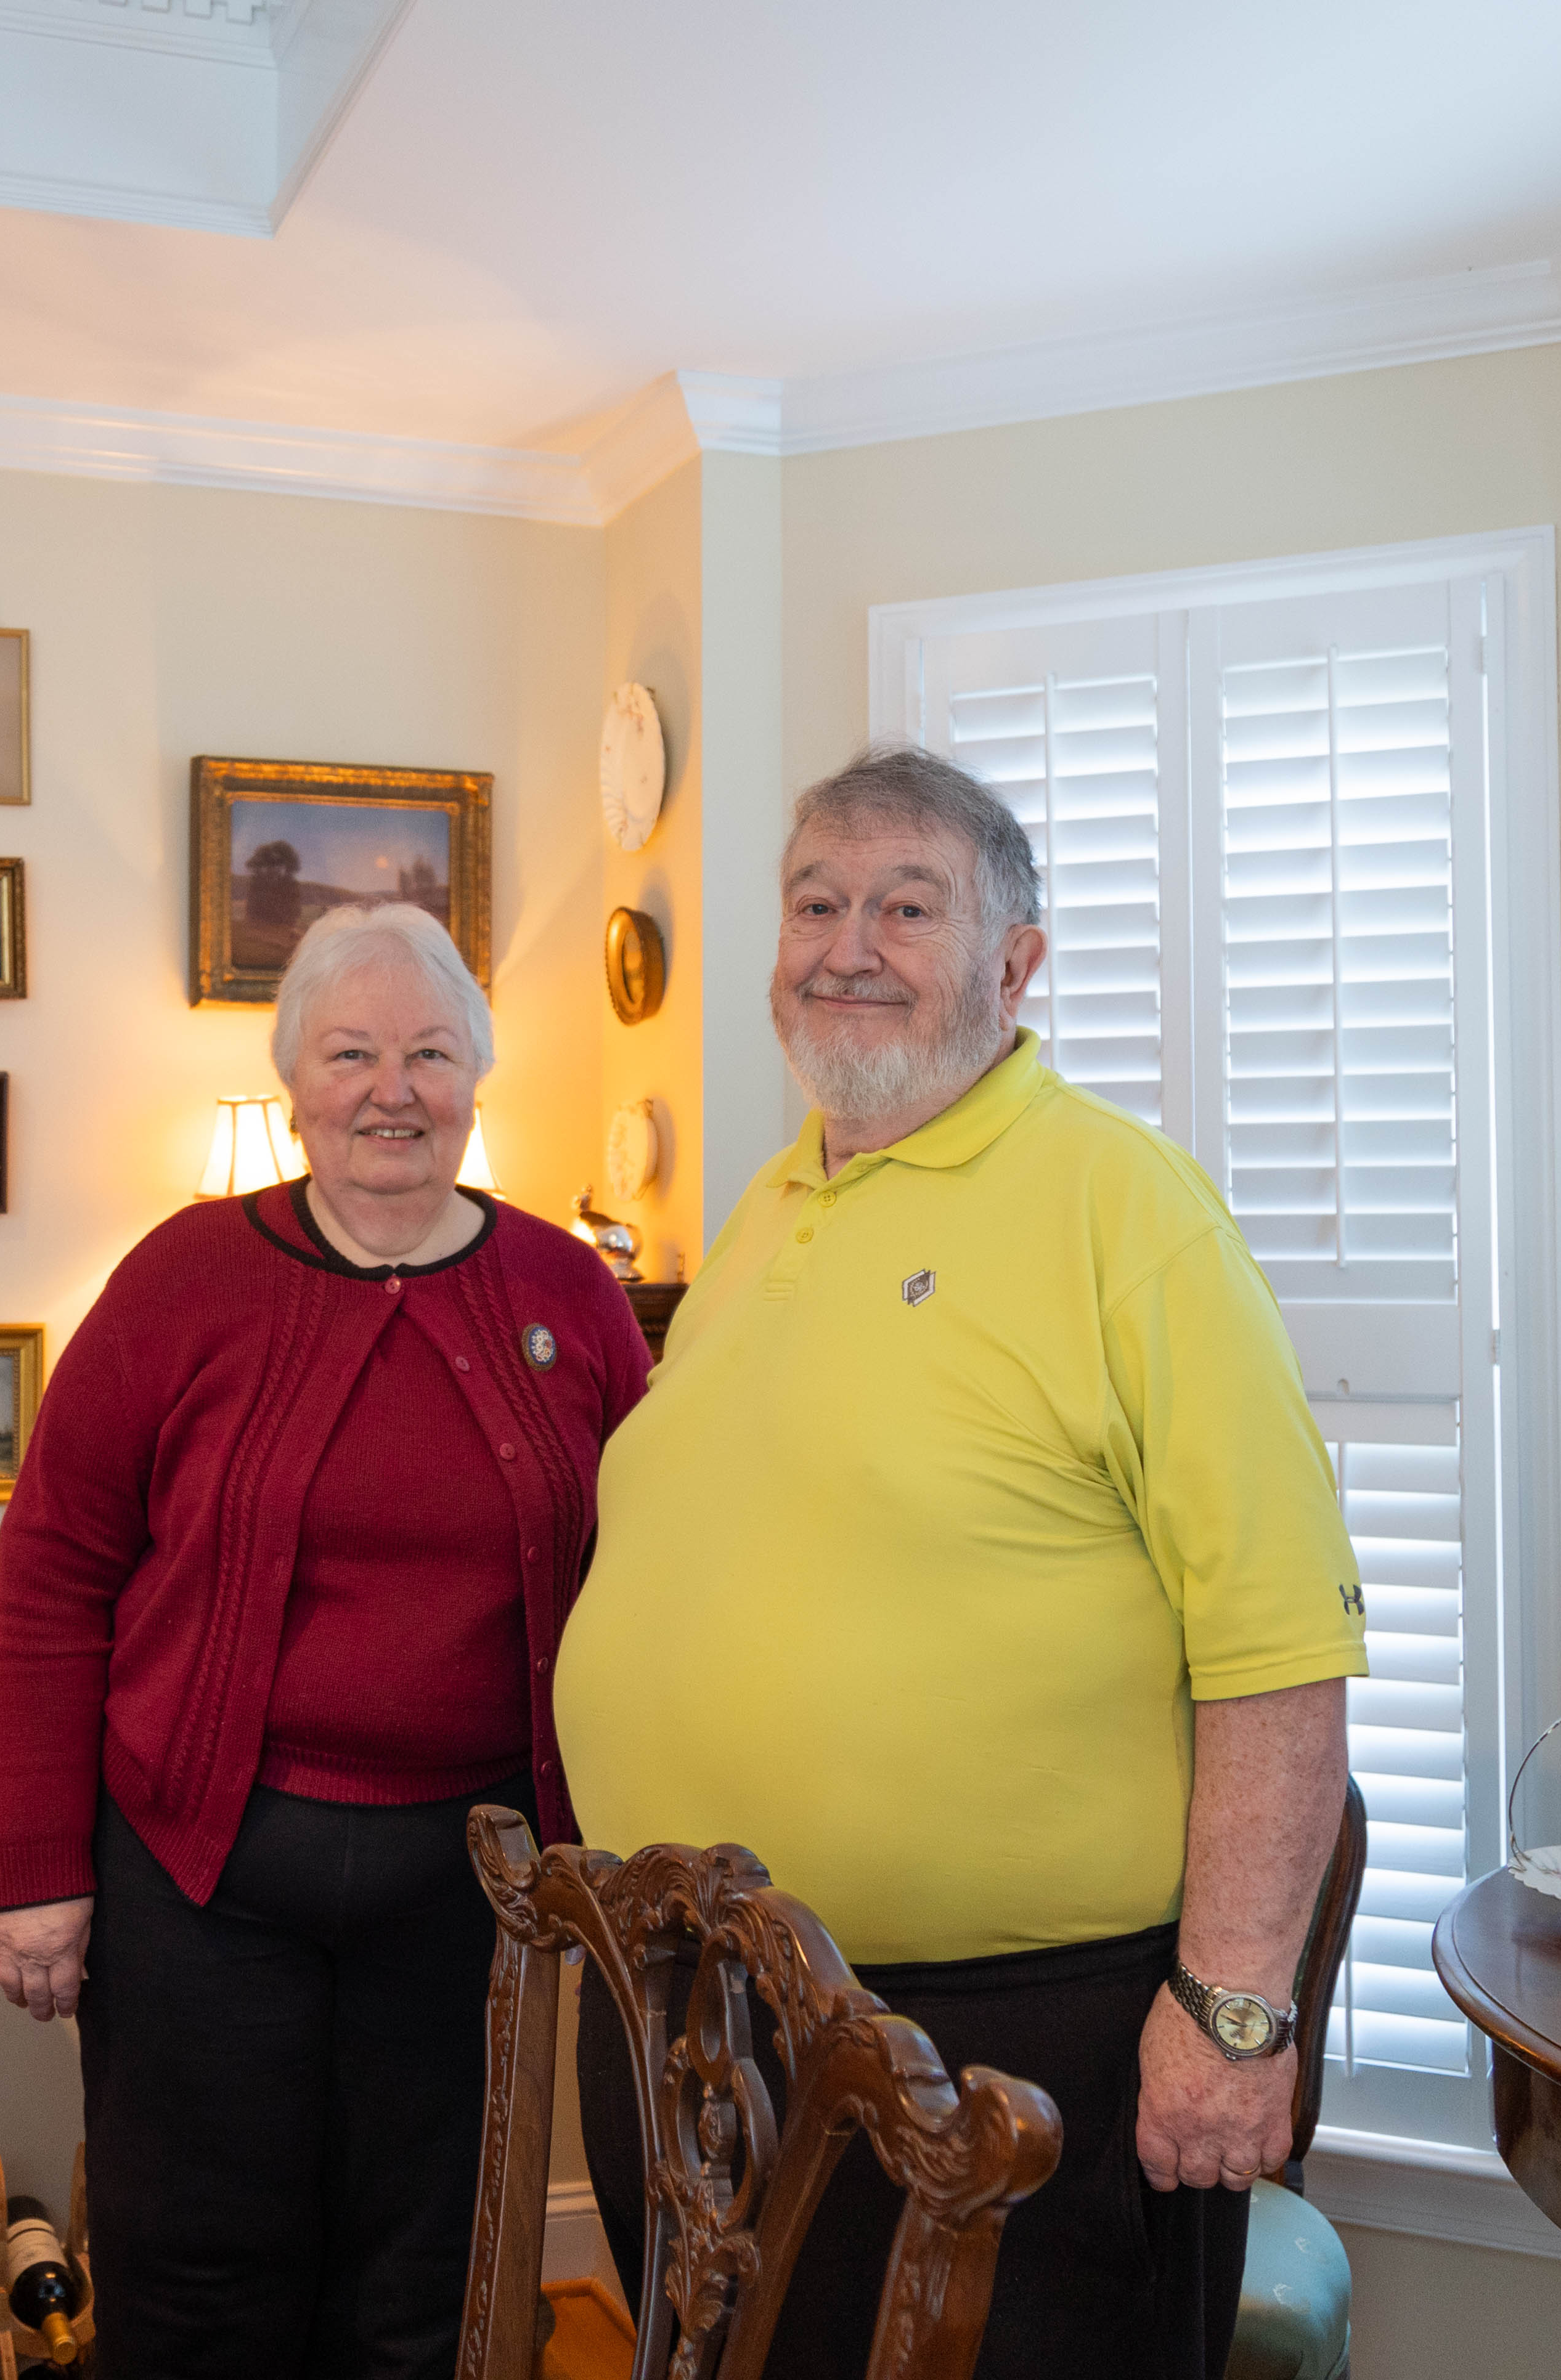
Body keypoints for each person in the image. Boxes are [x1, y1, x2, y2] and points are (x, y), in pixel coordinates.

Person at [553, 747, 1365, 2380]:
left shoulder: (1128, 1215)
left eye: (904, 908)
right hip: (703, 2022)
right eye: (815, 904)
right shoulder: (770, 1210)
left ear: (1013, 963)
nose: (846, 945)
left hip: (1007, 2042)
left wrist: (1230, 2016)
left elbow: (1275, 1644)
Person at [0, 901, 650, 2379]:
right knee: (198, 2285)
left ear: (475, 1077)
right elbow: (52, 1574)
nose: (389, 1089)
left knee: (425, 2291)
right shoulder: (179, 1283)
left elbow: (647, 1580)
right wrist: (36, 1868)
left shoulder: (570, 1299)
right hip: (200, 1882)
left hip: (470, 1886)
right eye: (350, 1052)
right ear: (296, 1084)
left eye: (425, 1052)